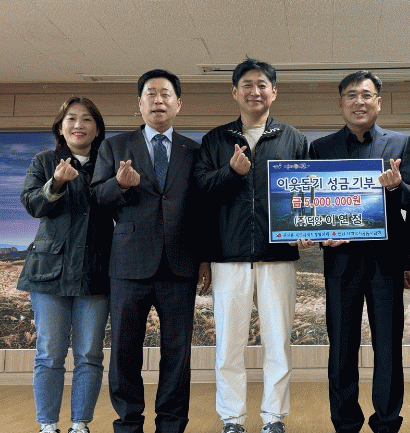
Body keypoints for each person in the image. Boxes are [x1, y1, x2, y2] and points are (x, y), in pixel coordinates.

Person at [91, 69, 210, 433]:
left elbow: (203, 209)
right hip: (129, 264)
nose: (158, 100)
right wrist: (120, 185)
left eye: (165, 94)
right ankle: (128, 423)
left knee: (177, 352)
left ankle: (171, 424)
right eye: (151, 94)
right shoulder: (115, 146)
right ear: (140, 103)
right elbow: (97, 197)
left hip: (181, 263)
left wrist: (204, 258)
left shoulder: (195, 150)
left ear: (178, 103)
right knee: (124, 350)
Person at [193, 59, 308, 433]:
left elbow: (307, 195)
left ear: (274, 92)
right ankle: (232, 418)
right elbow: (200, 193)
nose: (254, 91)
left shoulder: (294, 139)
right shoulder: (215, 140)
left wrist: (307, 227)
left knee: (278, 341)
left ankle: (274, 417)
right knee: (229, 344)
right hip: (229, 256)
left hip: (279, 255)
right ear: (234, 92)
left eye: (262, 85)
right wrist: (231, 172)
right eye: (247, 84)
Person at [307, 71, 410, 433]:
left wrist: (398, 187)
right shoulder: (321, 148)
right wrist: (320, 233)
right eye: (352, 95)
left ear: (378, 102)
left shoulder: (399, 143)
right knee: (341, 347)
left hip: (386, 262)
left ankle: (387, 421)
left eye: (367, 95)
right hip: (341, 262)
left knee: (388, 347)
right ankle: (345, 422)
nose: (360, 102)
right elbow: (312, 203)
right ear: (341, 103)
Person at [17, 97, 112, 433]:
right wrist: (55, 183)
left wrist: (125, 187)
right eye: (71, 118)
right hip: (49, 273)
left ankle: (80, 424)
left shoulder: (108, 163)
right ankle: (47, 425)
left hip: (96, 270)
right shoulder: (44, 161)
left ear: (97, 128)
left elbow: (121, 207)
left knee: (90, 354)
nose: (78, 125)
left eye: (87, 119)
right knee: (49, 353)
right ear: (60, 126)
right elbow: (32, 204)